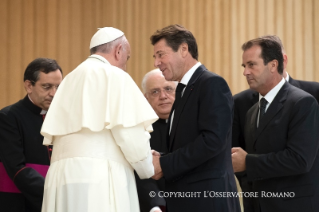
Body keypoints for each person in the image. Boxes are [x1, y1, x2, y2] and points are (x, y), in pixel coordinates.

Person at [40, 27, 158, 212]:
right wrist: (148, 168)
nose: (125, 66)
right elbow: (130, 135)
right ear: (118, 50)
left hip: (60, 178)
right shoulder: (116, 76)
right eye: (127, 59)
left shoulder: (68, 80)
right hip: (100, 178)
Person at [150, 24, 240, 211]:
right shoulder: (183, 90)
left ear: (183, 49)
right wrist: (162, 157)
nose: (156, 63)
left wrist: (164, 164)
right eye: (155, 57)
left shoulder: (211, 84)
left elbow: (212, 141)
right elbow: (188, 144)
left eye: (160, 54)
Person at [232, 35, 319, 212]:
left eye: (251, 65)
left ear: (273, 65)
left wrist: (248, 162)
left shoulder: (303, 101)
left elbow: (300, 159)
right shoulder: (252, 111)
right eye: (244, 66)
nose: (245, 72)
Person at [0, 58, 63, 212]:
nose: (53, 93)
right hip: (20, 201)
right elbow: (16, 167)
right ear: (29, 86)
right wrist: (52, 194)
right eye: (47, 87)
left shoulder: (62, 117)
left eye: (58, 87)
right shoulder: (8, 117)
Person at [135, 69, 177, 212]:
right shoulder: (139, 130)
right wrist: (156, 205)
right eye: (155, 92)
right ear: (145, 98)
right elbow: (139, 172)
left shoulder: (193, 124)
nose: (163, 96)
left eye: (168, 89)